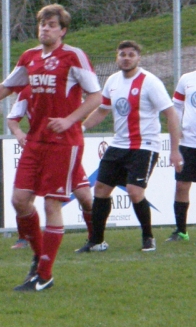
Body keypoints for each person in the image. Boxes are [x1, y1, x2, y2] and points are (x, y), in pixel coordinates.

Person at [0, 4, 101, 292]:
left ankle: (44, 275)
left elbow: (96, 96)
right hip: (35, 141)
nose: (45, 29)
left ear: (63, 30)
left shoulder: (73, 56)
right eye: (43, 24)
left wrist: (70, 120)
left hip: (64, 142)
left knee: (51, 204)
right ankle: (39, 257)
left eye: (52, 25)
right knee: (20, 200)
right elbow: (6, 87)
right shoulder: (29, 57)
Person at [80, 41, 182, 252]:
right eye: (122, 54)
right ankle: (96, 241)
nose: (126, 58)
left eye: (131, 55)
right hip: (119, 145)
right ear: (117, 57)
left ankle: (148, 237)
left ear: (138, 58)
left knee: (135, 192)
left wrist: (174, 150)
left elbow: (171, 114)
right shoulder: (112, 81)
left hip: (144, 146)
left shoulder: (150, 82)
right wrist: (81, 127)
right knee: (100, 189)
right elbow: (103, 110)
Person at [6, 86, 95, 250]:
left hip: (65, 151)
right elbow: (12, 119)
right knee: (24, 199)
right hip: (39, 150)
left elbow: (89, 106)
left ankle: (95, 239)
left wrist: (73, 123)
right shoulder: (27, 92)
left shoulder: (65, 89)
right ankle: (24, 238)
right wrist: (18, 133)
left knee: (85, 197)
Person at [170, 66, 196, 241]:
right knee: (181, 186)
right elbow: (177, 106)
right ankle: (181, 231)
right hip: (188, 143)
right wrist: (177, 127)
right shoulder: (187, 78)